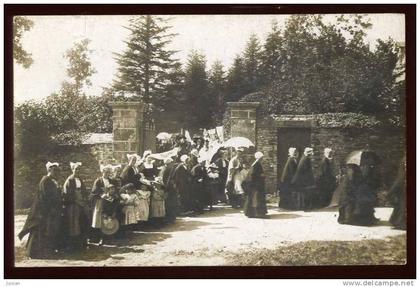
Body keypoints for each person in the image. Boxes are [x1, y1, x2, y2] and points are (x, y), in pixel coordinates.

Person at [18, 162, 63, 259]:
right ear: (49, 170)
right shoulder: (45, 180)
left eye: (58, 171)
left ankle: (45, 251)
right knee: (39, 230)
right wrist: (51, 208)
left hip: (49, 210)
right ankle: (35, 253)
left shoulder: (52, 181)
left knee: (47, 231)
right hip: (42, 210)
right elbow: (45, 196)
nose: (57, 173)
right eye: (55, 171)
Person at [338, 151, 380, 226]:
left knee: (363, 199)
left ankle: (365, 218)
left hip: (355, 189)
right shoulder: (352, 168)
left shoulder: (361, 168)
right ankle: (352, 218)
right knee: (355, 201)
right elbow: (351, 180)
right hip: (350, 190)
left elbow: (361, 180)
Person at [62, 162, 90, 252]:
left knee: (82, 222)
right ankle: (73, 245)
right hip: (73, 205)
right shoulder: (70, 180)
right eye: (76, 169)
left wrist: (85, 199)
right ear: (72, 169)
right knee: (73, 224)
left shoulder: (79, 179)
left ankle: (81, 243)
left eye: (79, 169)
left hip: (81, 204)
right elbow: (68, 194)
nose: (78, 171)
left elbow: (84, 191)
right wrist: (77, 200)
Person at [90, 164, 116, 245]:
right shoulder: (98, 181)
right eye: (106, 172)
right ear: (102, 172)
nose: (107, 174)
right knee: (100, 219)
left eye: (108, 172)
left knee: (108, 218)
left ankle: (107, 237)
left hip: (108, 202)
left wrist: (111, 195)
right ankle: (98, 238)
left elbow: (114, 190)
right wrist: (102, 194)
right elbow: (94, 191)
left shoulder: (111, 181)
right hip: (100, 201)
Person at [243, 152, 268, 218]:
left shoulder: (256, 163)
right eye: (262, 158)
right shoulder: (256, 164)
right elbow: (253, 175)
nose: (262, 159)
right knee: (255, 199)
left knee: (255, 199)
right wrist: (261, 175)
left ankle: (256, 212)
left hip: (256, 184)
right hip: (255, 185)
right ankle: (255, 213)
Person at [388, 157, 406, 230]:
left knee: (403, 204)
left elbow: (400, 178)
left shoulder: (404, 160)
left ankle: (402, 222)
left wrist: (391, 191)